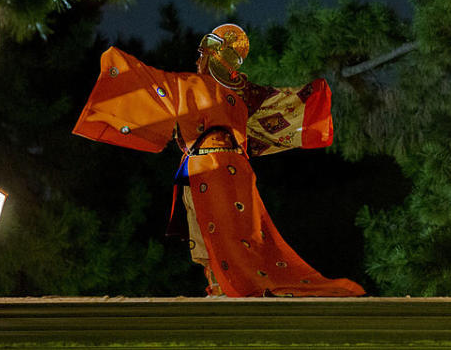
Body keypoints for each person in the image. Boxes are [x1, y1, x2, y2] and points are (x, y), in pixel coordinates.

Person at [72, 24, 365, 297]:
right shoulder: (244, 95)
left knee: (224, 231)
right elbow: (288, 104)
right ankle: (222, 286)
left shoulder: (195, 86)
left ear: (217, 55)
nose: (198, 59)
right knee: (224, 232)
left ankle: (230, 287)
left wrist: (117, 64)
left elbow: (146, 82)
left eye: (203, 53)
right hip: (222, 169)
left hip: (211, 168)